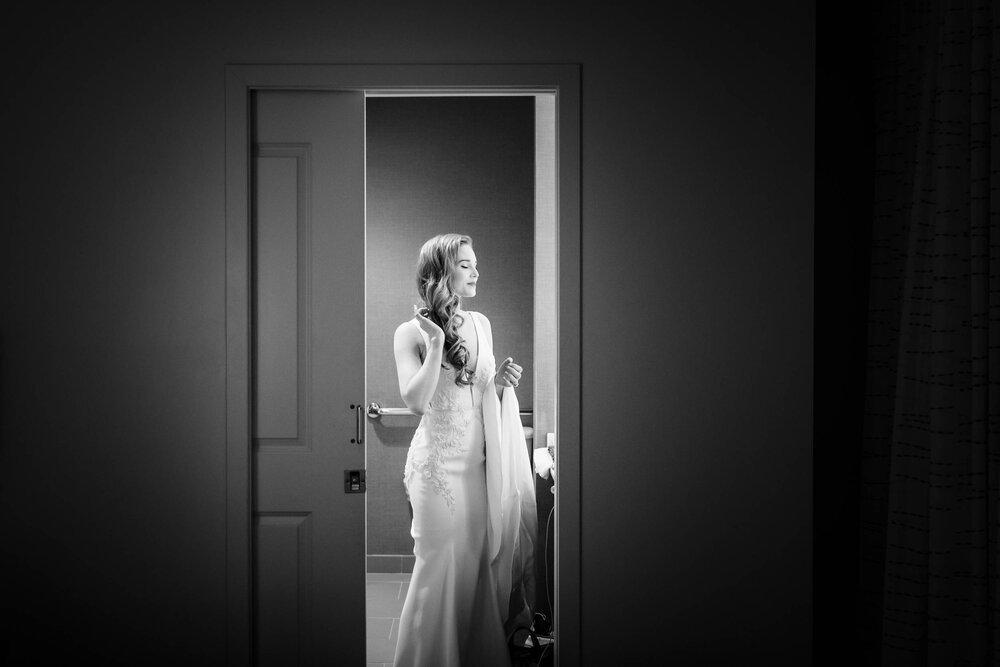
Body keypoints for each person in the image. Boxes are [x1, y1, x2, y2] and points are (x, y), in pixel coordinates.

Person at [391, 233, 535, 667]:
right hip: (436, 469)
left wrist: (501, 385)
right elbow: (415, 401)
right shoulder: (409, 332)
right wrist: (435, 344)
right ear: (443, 271)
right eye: (467, 265)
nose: (477, 272)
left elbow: (479, 395)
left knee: (475, 564)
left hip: (478, 468)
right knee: (438, 566)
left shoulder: (482, 323)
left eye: (475, 264)